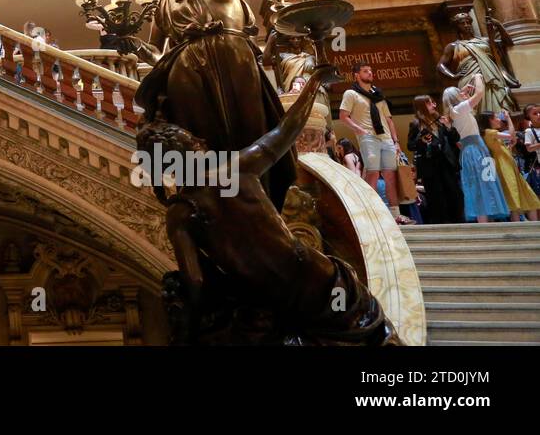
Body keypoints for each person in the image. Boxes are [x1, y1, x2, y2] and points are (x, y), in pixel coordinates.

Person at [140, 69, 398, 345]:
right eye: (192, 140)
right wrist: (315, 82)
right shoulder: (234, 169)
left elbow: (196, 282)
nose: (202, 141)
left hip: (263, 298)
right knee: (365, 333)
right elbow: (287, 129)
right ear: (192, 149)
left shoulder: (178, 213)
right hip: (312, 277)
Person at [134, 0, 296, 210]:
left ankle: (265, 206)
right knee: (204, 144)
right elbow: (157, 53)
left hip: (236, 60)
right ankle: (218, 210)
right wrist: (134, 48)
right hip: (187, 74)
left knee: (254, 132)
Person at [339, 62, 411, 224]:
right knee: (372, 173)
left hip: (386, 139)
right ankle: (369, 214)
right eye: (365, 71)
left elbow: (389, 120)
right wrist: (359, 130)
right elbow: (343, 116)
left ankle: (395, 215)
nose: (370, 73)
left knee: (390, 176)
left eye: (371, 71)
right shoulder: (351, 93)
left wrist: (396, 141)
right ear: (356, 75)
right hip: (368, 137)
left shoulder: (378, 94)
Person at [445, 76, 510, 223]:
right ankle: (484, 223)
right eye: (459, 93)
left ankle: (489, 220)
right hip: (473, 150)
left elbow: (471, 100)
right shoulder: (458, 109)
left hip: (477, 149)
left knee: (486, 182)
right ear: (456, 97)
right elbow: (479, 93)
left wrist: (464, 92)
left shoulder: (459, 110)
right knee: (480, 185)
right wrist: (478, 77)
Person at [438, 11, 520, 115]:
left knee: (501, 106)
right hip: (470, 80)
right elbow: (440, 65)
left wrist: (498, 25)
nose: (466, 25)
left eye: (468, 22)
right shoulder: (453, 46)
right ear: (456, 27)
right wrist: (453, 76)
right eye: (462, 23)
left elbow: (508, 43)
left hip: (493, 77)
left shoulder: (485, 40)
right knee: (478, 108)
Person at [407, 94, 463, 224]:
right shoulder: (416, 124)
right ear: (421, 106)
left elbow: (455, 138)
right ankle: (443, 224)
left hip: (446, 164)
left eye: (433, 102)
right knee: (437, 197)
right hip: (429, 167)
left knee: (454, 194)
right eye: (429, 103)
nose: (433, 105)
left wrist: (449, 126)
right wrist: (421, 140)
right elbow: (410, 146)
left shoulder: (439, 120)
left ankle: (458, 222)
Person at [484, 112, 540, 221]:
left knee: (527, 196)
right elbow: (511, 135)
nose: (499, 120)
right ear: (489, 120)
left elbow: (512, 139)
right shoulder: (488, 132)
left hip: (509, 165)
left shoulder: (494, 133)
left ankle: (533, 226)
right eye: (495, 118)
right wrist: (508, 118)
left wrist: (509, 145)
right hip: (503, 167)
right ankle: (519, 229)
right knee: (512, 196)